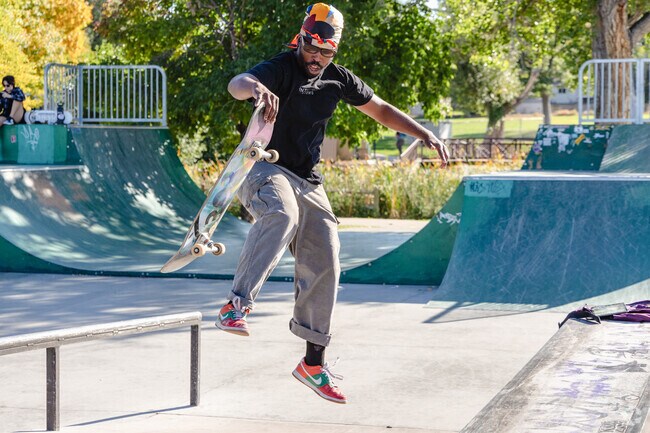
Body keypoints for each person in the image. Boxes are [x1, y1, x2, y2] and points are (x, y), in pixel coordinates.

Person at [217, 2, 449, 404]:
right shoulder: (281, 67)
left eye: (327, 52)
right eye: (312, 48)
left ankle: (312, 363)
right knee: (282, 213)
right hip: (262, 168)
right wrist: (256, 88)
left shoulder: (339, 79)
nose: (317, 58)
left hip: (307, 180)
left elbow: (381, 110)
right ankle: (235, 305)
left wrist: (422, 132)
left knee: (326, 257)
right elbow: (237, 82)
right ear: (301, 39)